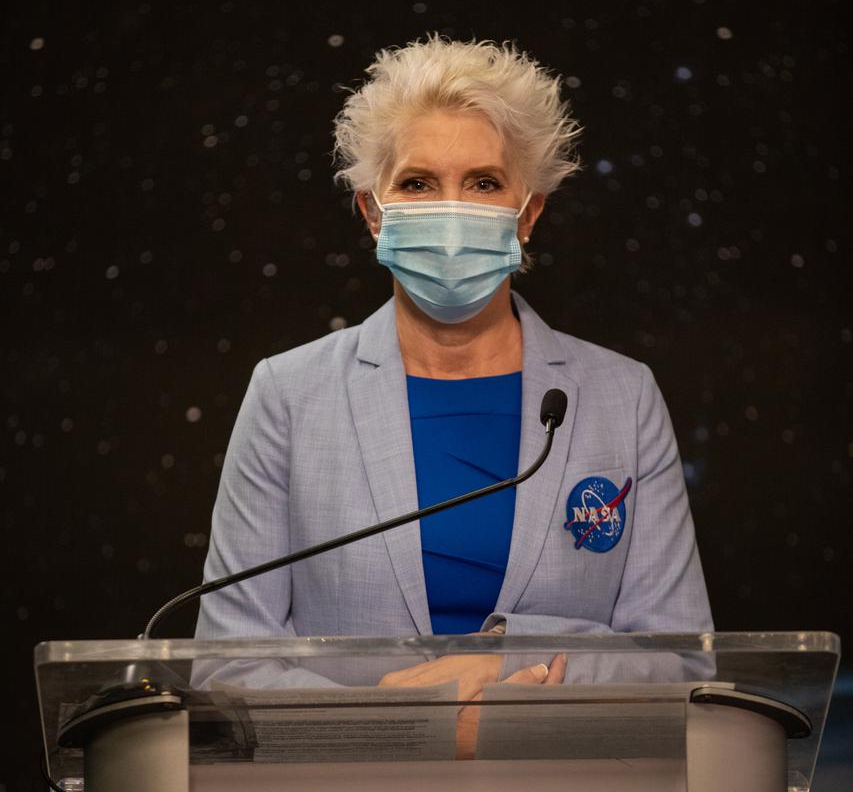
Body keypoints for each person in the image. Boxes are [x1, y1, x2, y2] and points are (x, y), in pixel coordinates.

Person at [193, 36, 712, 698]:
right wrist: (394, 722)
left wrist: (497, 665)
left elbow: (679, 661)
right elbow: (227, 663)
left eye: (483, 182)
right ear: (372, 213)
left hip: (565, 789)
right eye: (417, 183)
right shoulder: (289, 394)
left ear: (528, 214)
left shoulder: (621, 395)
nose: (449, 211)